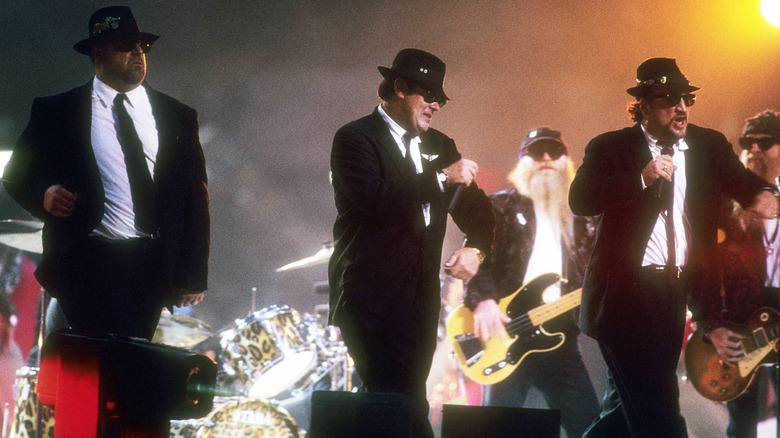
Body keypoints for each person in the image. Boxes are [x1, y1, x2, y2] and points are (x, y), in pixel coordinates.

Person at [568, 57, 779, 437]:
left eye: (686, 99)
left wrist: (765, 198)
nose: (681, 108)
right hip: (623, 300)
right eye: (669, 100)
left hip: (673, 295)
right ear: (644, 106)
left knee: (624, 414)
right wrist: (640, 179)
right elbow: (580, 200)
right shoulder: (610, 147)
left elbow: (745, 186)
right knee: (661, 415)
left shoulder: (708, 145)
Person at [2, 6, 209, 341]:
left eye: (142, 46)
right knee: (105, 359)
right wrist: (43, 194)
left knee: (129, 364)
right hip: (88, 258)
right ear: (97, 52)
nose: (138, 53)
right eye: (126, 46)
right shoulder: (58, 111)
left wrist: (192, 273)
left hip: (151, 264)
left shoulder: (178, 116)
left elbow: (195, 198)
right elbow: (15, 175)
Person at [328, 48, 495, 437]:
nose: (436, 105)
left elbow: (479, 212)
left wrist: (477, 247)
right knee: (400, 401)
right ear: (399, 87)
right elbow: (373, 199)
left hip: (420, 301)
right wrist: (439, 180)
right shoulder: (355, 139)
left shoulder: (441, 144)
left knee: (398, 404)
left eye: (441, 98)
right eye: (428, 94)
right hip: (370, 299)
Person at [464, 127, 600, 437]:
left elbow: (598, 270)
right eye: (538, 153)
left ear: (566, 161)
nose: (547, 159)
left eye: (555, 152)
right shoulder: (498, 207)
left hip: (561, 339)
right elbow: (473, 257)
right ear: (523, 161)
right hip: (505, 334)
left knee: (591, 426)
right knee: (497, 430)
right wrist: (483, 300)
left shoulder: (582, 216)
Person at [698, 110, 780, 438]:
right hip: (741, 324)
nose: (755, 149)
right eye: (748, 143)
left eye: (766, 142)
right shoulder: (726, 205)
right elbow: (702, 268)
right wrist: (711, 325)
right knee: (741, 427)